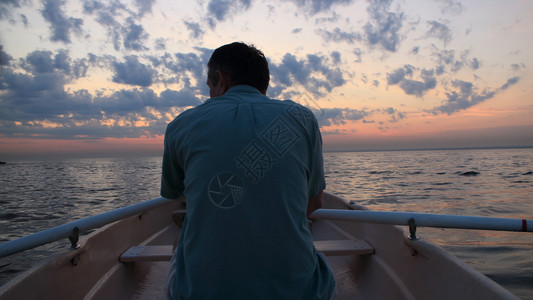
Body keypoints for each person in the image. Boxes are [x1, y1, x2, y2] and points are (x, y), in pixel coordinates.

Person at [161, 42, 335, 299]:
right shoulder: (303, 118)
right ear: (262, 84)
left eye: (209, 86)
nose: (210, 93)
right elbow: (313, 205)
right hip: (299, 292)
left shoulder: (181, 125)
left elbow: (174, 196)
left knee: (180, 239)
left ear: (219, 79)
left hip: (202, 293)